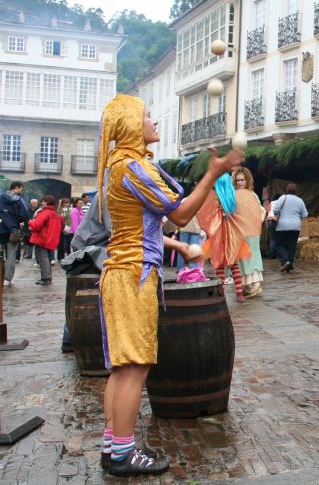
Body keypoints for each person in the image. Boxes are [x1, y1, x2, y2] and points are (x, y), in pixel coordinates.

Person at [97, 94, 242, 476]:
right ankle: (123, 454)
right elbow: (178, 213)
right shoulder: (132, 167)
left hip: (122, 272)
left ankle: (114, 445)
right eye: (147, 116)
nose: (154, 121)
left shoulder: (121, 166)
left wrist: (176, 245)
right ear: (131, 126)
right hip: (133, 276)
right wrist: (212, 174)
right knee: (134, 367)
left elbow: (145, 227)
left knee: (121, 368)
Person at [197, 170, 250, 302]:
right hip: (232, 236)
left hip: (218, 237)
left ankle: (221, 292)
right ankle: (239, 293)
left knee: (219, 265)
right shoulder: (233, 199)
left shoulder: (215, 199)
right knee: (234, 265)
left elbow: (208, 217)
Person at [232, 168, 266, 298]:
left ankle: (255, 284)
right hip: (239, 232)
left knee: (251, 256)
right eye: (238, 180)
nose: (240, 182)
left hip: (251, 232)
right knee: (240, 258)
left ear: (247, 181)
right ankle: (246, 285)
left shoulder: (252, 195)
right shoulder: (234, 194)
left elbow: (260, 211)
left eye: (242, 180)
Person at [0, 181, 29, 286]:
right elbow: (25, 215)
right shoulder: (19, 201)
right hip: (13, 230)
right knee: (11, 255)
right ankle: (7, 279)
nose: (21, 191)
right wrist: (15, 221)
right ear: (16, 187)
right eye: (21, 188)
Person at [271, 183, 307, 273]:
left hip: (282, 226)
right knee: (292, 246)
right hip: (295, 227)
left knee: (279, 244)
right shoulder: (300, 200)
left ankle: (285, 260)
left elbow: (275, 210)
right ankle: (289, 265)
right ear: (296, 191)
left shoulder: (283, 198)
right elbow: (305, 214)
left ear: (286, 190)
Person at [28, 195, 63, 285]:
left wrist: (30, 222)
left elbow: (36, 225)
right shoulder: (56, 214)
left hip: (42, 238)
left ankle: (46, 278)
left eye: (43, 201)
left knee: (43, 258)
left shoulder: (44, 213)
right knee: (47, 258)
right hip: (52, 239)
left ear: (46, 202)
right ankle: (47, 277)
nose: (41, 203)